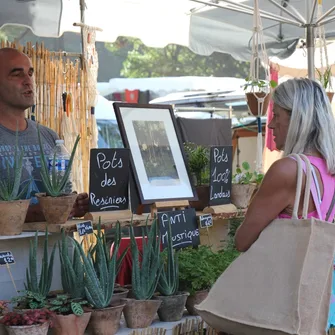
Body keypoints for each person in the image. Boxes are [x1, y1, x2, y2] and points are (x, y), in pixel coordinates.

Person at [235, 77, 335, 329]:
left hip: (287, 300)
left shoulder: (288, 171)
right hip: (326, 296)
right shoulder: (329, 169)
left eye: (276, 115)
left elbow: (242, 240)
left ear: (296, 118)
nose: (270, 125)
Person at [0, 47, 89, 222]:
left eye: (30, 73)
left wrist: (75, 205)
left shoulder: (50, 137)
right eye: (17, 74)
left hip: (59, 247)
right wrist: (35, 213)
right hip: (11, 248)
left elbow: (63, 193)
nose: (28, 81)